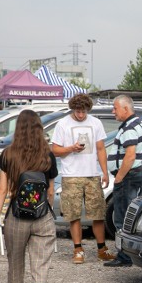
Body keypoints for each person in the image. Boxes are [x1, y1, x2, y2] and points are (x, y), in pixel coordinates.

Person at [0, 110, 57, 283]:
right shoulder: (47, 155)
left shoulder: (9, 154)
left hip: (16, 217)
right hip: (42, 217)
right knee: (41, 268)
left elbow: (2, 190)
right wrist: (44, 209)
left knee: (15, 265)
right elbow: (50, 190)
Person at [50, 93, 115, 264]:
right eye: (78, 111)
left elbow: (101, 149)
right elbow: (55, 150)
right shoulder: (63, 124)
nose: (81, 115)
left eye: (84, 111)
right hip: (71, 175)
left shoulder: (95, 122)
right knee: (74, 214)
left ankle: (102, 249)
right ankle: (78, 249)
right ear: (72, 109)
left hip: (93, 174)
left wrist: (105, 172)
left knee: (98, 213)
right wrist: (71, 148)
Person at [105, 95, 142, 268]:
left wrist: (119, 178)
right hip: (132, 175)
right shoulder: (135, 124)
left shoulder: (129, 127)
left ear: (125, 109)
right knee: (129, 215)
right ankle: (127, 254)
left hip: (128, 177)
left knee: (122, 218)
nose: (113, 111)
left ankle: (125, 256)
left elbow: (130, 156)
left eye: (115, 108)